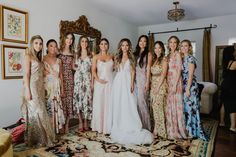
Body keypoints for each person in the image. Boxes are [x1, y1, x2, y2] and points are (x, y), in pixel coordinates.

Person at [110, 38, 153, 145]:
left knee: (129, 103)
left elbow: (133, 71)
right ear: (120, 46)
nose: (125, 47)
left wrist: (132, 83)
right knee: (119, 103)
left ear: (129, 47)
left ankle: (130, 123)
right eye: (123, 45)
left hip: (127, 81)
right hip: (118, 81)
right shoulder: (117, 57)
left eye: (126, 45)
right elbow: (115, 69)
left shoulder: (132, 57)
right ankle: (119, 122)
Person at [21, 35, 55, 147]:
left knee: (39, 111)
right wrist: (27, 90)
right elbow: (26, 74)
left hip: (40, 87)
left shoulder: (39, 58)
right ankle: (37, 140)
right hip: (31, 86)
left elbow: (41, 73)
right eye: (36, 43)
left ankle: (41, 139)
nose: (39, 45)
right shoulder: (28, 56)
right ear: (32, 44)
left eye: (40, 43)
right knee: (37, 112)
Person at [181, 40, 207, 140]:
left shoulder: (191, 59)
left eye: (186, 46)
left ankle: (192, 132)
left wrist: (187, 89)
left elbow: (191, 75)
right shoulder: (182, 58)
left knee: (191, 109)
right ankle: (188, 129)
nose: (184, 47)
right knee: (186, 109)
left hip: (190, 86)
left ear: (189, 47)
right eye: (182, 46)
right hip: (183, 85)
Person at [166, 36, 187, 139]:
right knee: (170, 105)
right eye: (171, 42)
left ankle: (178, 130)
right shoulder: (168, 55)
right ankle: (171, 128)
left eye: (175, 42)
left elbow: (179, 70)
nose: (173, 44)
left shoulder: (178, 54)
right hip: (169, 81)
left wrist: (174, 84)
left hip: (176, 81)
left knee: (177, 104)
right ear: (168, 44)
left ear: (177, 44)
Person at [91, 38, 114, 134]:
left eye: (105, 44)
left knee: (109, 104)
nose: (103, 45)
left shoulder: (112, 56)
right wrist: (98, 79)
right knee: (99, 103)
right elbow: (93, 71)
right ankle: (99, 126)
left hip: (110, 83)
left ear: (108, 46)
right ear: (99, 46)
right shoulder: (95, 57)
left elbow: (116, 68)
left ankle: (108, 126)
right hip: (99, 83)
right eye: (102, 44)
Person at [43, 39, 65, 134]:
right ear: (47, 47)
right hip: (47, 86)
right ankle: (50, 130)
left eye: (55, 46)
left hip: (56, 86)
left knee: (56, 106)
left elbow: (61, 76)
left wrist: (62, 89)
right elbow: (40, 73)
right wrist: (48, 72)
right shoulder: (42, 58)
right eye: (51, 46)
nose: (53, 48)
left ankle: (57, 127)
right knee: (48, 107)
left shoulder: (59, 60)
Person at [73, 35, 93, 132]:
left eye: (86, 41)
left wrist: (92, 82)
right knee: (79, 100)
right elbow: (73, 66)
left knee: (86, 101)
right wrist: (78, 70)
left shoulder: (91, 54)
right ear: (80, 43)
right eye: (82, 41)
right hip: (78, 80)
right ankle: (80, 121)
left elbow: (93, 70)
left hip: (87, 80)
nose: (84, 43)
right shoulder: (76, 54)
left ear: (88, 43)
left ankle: (86, 121)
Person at [133, 35, 152, 131]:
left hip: (143, 80)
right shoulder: (135, 54)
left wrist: (147, 82)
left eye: (145, 41)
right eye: (141, 41)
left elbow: (148, 68)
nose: (142, 43)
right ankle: (138, 124)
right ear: (138, 42)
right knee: (136, 103)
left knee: (142, 102)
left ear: (147, 43)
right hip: (135, 80)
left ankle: (146, 126)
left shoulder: (148, 54)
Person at [58, 32, 75, 133]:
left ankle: (67, 124)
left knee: (69, 102)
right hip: (60, 79)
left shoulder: (73, 53)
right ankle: (61, 124)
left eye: (71, 39)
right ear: (64, 39)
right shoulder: (58, 51)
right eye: (67, 38)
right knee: (61, 102)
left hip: (70, 79)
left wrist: (84, 67)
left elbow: (73, 67)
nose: (69, 40)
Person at [150, 41, 168, 138]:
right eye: (155, 48)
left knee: (158, 108)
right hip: (153, 85)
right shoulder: (154, 59)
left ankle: (161, 132)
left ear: (162, 49)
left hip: (160, 86)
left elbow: (163, 74)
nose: (157, 50)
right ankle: (156, 129)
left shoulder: (164, 59)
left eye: (159, 48)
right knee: (154, 108)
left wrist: (157, 88)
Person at [220, 43, 236, 132]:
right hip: (231, 86)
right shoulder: (234, 63)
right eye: (234, 51)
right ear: (231, 53)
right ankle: (233, 127)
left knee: (224, 103)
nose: (235, 52)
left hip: (225, 85)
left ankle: (221, 122)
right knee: (233, 105)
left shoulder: (226, 62)